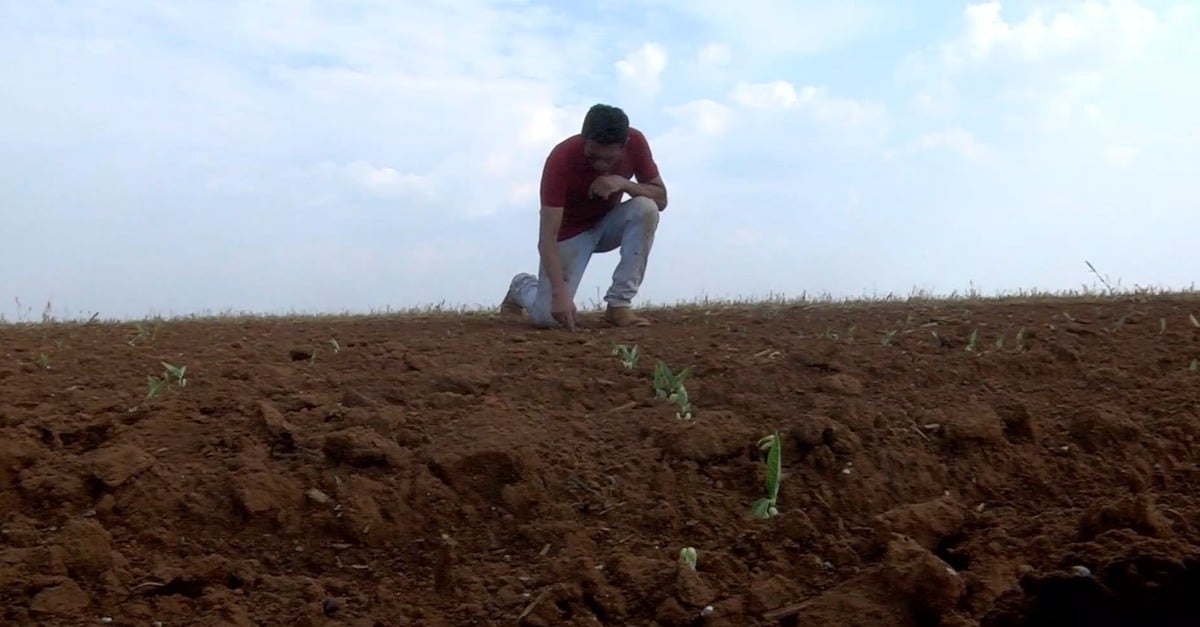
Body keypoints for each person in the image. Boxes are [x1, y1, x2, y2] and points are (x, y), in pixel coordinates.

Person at [501, 103, 668, 330]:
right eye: (592, 156)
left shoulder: (636, 142)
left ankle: (619, 305)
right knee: (548, 318)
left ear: (624, 145)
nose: (600, 164)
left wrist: (623, 183)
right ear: (583, 140)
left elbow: (661, 200)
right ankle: (522, 285)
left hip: (609, 223)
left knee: (646, 208)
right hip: (570, 234)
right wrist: (559, 293)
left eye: (608, 159)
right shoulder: (561, 158)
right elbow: (547, 237)